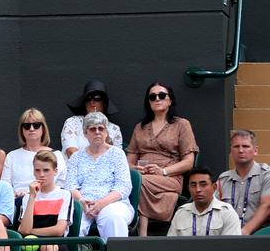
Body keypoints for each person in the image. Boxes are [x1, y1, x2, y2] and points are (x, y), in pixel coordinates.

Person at [129, 82, 199, 235]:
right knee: (135, 178)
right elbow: (129, 161)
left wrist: (163, 171)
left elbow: (189, 162)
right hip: (143, 173)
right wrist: (135, 168)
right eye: (152, 97)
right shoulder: (140, 127)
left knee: (138, 181)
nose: (157, 99)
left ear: (170, 100)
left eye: (162, 95)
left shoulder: (181, 125)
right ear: (148, 102)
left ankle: (141, 234)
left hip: (170, 176)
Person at [67, 111, 134, 238]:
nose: (97, 132)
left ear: (106, 132)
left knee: (113, 217)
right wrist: (81, 201)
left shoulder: (117, 154)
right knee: (71, 221)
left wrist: (101, 204)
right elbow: (70, 186)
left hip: (113, 203)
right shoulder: (75, 157)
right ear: (85, 133)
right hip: (82, 204)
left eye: (101, 128)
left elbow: (124, 186)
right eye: (92, 129)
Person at [2, 109, 67, 195]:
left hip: (48, 199)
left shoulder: (56, 154)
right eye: (26, 126)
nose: (31, 129)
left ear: (43, 128)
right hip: (19, 202)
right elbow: (5, 187)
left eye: (36, 125)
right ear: (22, 130)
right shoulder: (12, 156)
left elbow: (61, 184)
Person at [219, 130, 270, 234]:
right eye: (236, 146)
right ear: (231, 151)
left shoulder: (266, 174)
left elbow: (267, 206)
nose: (241, 150)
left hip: (259, 235)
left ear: (255, 150)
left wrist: (243, 233)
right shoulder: (223, 179)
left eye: (246, 146)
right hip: (227, 235)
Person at [17, 151, 73, 245]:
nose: (41, 174)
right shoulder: (28, 197)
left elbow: (59, 231)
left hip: (55, 244)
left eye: (46, 170)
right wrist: (32, 197)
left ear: (55, 171)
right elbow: (24, 229)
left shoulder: (65, 195)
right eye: (37, 170)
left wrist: (31, 231)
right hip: (31, 245)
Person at [168, 167, 242, 236]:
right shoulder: (181, 213)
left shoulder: (226, 212)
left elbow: (232, 245)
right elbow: (170, 245)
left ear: (214, 187)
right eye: (193, 185)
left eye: (203, 185)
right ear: (188, 189)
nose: (198, 190)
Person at [62, 81, 125, 157]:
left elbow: (118, 158)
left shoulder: (114, 129)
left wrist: (108, 141)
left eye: (97, 98)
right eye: (88, 99)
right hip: (76, 167)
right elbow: (71, 152)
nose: (92, 102)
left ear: (104, 103)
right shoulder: (73, 122)